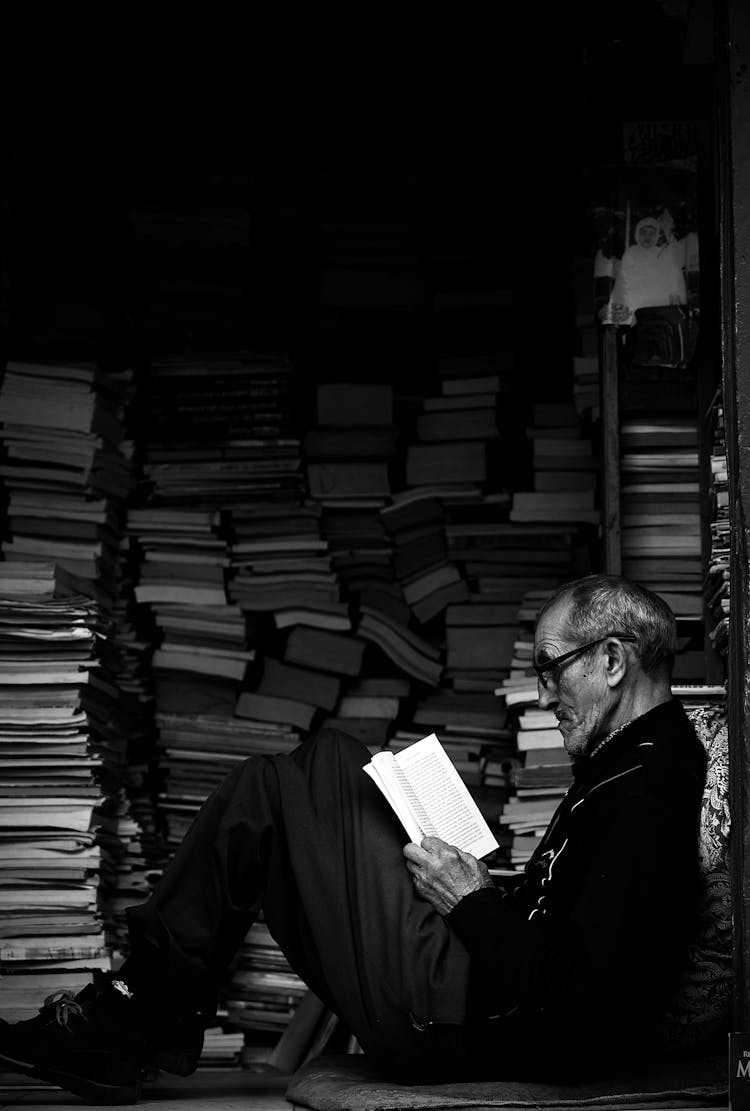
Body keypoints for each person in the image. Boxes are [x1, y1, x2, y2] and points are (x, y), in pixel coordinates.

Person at [0, 574, 707, 1105]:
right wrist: (495, 886)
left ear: (613, 661)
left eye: (553, 667)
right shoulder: (630, 760)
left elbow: (580, 995)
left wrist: (471, 901)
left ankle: (129, 1009)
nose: (547, 693)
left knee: (270, 788)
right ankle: (144, 1008)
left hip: (463, 1017)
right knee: (334, 758)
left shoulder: (645, 796)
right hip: (474, 978)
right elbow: (574, 910)